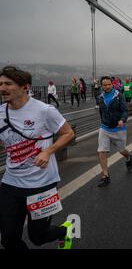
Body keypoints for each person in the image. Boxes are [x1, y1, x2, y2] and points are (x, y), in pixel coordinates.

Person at [0, 66, 75, 250]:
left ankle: (64, 231)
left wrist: (48, 151)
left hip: (42, 184)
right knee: (8, 239)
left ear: (25, 87)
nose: (2, 88)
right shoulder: (1, 113)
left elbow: (68, 133)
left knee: (38, 237)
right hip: (11, 183)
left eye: (8, 84)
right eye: (0, 84)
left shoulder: (44, 111)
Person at [97, 76, 132, 187]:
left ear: (112, 84)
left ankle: (128, 157)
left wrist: (122, 120)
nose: (107, 86)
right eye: (105, 85)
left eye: (109, 84)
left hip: (118, 129)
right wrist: (103, 121)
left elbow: (125, 110)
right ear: (102, 86)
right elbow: (101, 112)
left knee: (122, 150)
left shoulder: (119, 96)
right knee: (102, 151)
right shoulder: (100, 97)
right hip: (105, 128)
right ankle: (105, 176)